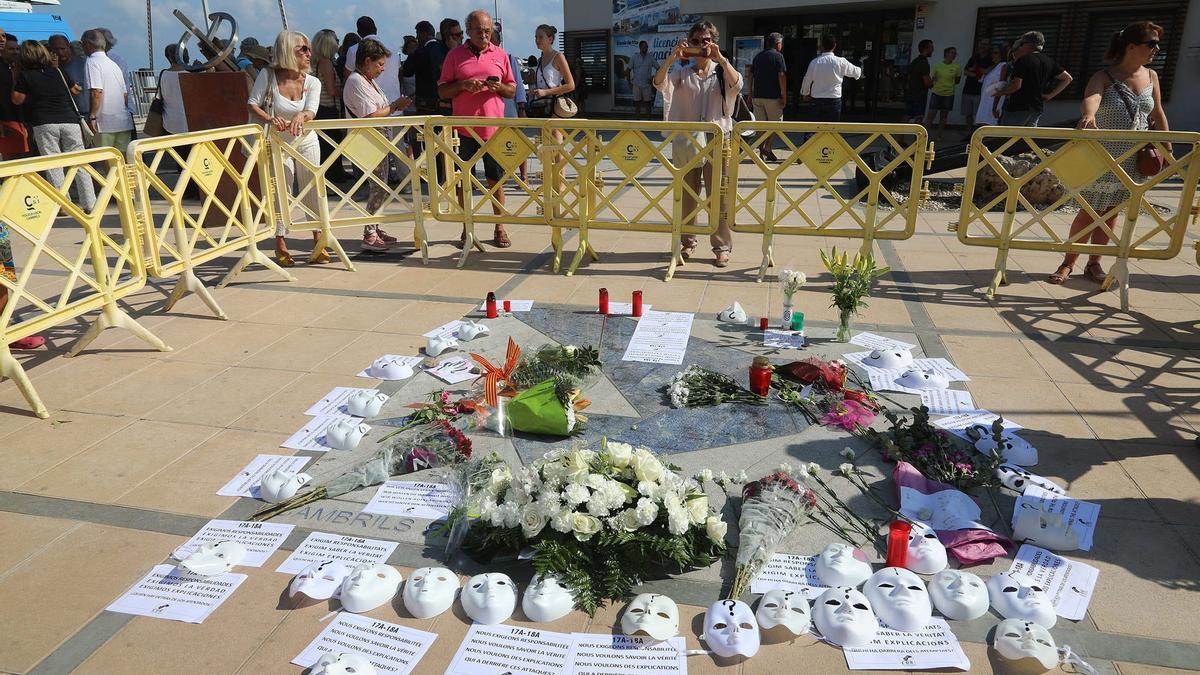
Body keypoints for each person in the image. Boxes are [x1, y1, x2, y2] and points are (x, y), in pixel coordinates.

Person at [1048, 22, 1169, 286]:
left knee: (1112, 212)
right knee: (1090, 211)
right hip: (1102, 157)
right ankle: (1068, 262)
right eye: (1151, 43)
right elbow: (1092, 97)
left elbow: (1157, 112)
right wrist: (1089, 115)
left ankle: (1095, 263)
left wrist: (1168, 145)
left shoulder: (1152, 76)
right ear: (1131, 47)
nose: (1156, 49)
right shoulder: (1104, 76)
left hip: (1132, 160)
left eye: (1157, 44)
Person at [653, 20, 741, 268]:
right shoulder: (683, 73)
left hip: (717, 139)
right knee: (689, 194)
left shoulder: (721, 71)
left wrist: (721, 58)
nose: (701, 46)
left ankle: (722, 246)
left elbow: (738, 84)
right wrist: (672, 58)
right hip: (689, 140)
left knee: (718, 197)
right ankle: (687, 242)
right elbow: (659, 83)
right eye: (696, 41)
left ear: (713, 41)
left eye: (706, 40)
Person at [437, 9, 516, 249]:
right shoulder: (454, 56)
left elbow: (512, 91)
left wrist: (499, 88)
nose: (484, 35)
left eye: (488, 30)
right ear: (468, 31)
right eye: (479, 30)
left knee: (496, 180)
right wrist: (462, 85)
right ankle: (466, 228)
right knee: (464, 182)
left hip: (493, 130)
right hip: (464, 131)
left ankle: (500, 227)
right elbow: (442, 91)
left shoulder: (500, 54)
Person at [248, 30, 322, 267]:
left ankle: (319, 240)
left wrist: (302, 115)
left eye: (309, 49)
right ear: (288, 51)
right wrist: (270, 119)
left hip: (306, 139)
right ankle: (280, 242)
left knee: (313, 187)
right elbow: (252, 104)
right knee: (280, 191)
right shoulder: (268, 75)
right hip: (277, 141)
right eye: (303, 49)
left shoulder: (312, 81)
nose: (309, 54)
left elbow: (312, 109)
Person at [343, 38, 411, 252]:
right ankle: (369, 232)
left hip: (376, 140)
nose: (382, 69)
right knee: (377, 187)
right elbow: (370, 115)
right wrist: (394, 106)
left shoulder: (367, 80)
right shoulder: (356, 81)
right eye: (380, 64)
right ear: (367, 61)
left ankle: (374, 226)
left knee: (380, 186)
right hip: (367, 142)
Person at [12, 40, 96, 211]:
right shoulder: (58, 72)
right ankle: (90, 203)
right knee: (79, 162)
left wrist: (17, 78)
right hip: (69, 120)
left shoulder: (25, 75)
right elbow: (75, 90)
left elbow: (17, 99)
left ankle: (63, 205)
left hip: (44, 121)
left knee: (53, 163)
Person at [998, 31, 1072, 127]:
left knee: (1006, 138)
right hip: (1036, 108)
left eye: (1022, 44)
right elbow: (1068, 78)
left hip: (1018, 107)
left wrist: (1000, 92)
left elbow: (1016, 85)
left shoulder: (1023, 60)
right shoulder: (1048, 61)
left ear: (1028, 44)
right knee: (1028, 139)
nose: (1020, 47)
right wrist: (1050, 95)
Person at [82, 28, 133, 153]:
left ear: (88, 44)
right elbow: (125, 94)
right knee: (123, 160)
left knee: (107, 160)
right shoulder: (113, 64)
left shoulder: (92, 62)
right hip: (122, 120)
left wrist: (92, 116)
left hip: (104, 122)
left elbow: (96, 91)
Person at [312, 29, 352, 182]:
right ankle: (333, 176)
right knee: (330, 143)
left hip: (322, 108)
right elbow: (331, 90)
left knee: (330, 142)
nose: (338, 43)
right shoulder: (326, 62)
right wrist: (347, 92)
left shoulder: (319, 61)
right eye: (336, 40)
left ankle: (336, 172)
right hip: (327, 108)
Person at [799, 33, 862, 124]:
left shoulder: (815, 62)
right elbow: (857, 72)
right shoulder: (841, 62)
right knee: (832, 128)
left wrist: (805, 93)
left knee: (813, 128)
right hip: (834, 99)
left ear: (821, 46)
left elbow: (807, 78)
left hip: (817, 98)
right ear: (835, 46)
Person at [492, 25, 528, 182]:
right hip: (493, 109)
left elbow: (518, 84)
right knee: (497, 145)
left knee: (517, 142)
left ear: (498, 42)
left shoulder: (509, 57)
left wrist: (521, 106)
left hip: (509, 107)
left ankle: (524, 175)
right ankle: (502, 174)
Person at [405, 18, 461, 116]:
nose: (461, 37)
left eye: (418, 33)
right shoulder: (439, 50)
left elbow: (406, 71)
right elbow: (445, 72)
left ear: (424, 33)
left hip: (427, 106)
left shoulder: (420, 52)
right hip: (441, 105)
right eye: (458, 35)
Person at [749, 32, 788, 162]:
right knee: (777, 124)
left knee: (760, 125)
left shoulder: (758, 56)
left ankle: (762, 151)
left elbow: (750, 75)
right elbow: (781, 76)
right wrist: (783, 95)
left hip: (757, 96)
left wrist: (750, 93)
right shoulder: (778, 56)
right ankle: (768, 148)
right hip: (773, 97)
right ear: (778, 44)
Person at [0, 28, 28, 160]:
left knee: (18, 158)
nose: (16, 52)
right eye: (11, 49)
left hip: (18, 120)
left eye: (17, 49)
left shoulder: (16, 68)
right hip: (5, 122)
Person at [924, 47, 961, 139]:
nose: (954, 55)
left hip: (949, 94)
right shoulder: (937, 66)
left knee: (944, 116)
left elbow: (957, 80)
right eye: (952, 53)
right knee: (931, 115)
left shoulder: (957, 66)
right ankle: (924, 135)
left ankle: (939, 135)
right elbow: (931, 78)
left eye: (955, 53)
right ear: (946, 54)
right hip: (936, 93)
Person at [49, 34, 87, 118]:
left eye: (63, 49)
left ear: (69, 47)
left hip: (83, 112)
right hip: (63, 115)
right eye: (56, 49)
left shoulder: (84, 64)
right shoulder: (47, 69)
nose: (60, 53)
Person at [158, 44, 190, 135]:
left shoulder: (163, 74)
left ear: (169, 58)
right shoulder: (191, 75)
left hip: (169, 124)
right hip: (189, 124)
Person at [974, 45, 1009, 127]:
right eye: (992, 53)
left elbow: (1001, 85)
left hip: (993, 101)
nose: (993, 55)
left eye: (996, 53)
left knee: (991, 124)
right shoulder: (992, 67)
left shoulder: (1003, 65)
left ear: (1002, 54)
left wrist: (995, 107)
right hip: (985, 100)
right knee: (983, 124)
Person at [961, 39, 991, 128]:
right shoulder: (974, 57)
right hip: (967, 90)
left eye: (985, 44)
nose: (983, 46)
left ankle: (978, 135)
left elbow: (986, 72)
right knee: (968, 114)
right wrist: (978, 73)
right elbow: (965, 72)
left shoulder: (990, 59)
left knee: (979, 115)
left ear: (989, 46)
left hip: (980, 92)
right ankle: (969, 134)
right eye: (981, 43)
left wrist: (974, 70)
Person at [905, 39, 934, 123]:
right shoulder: (924, 63)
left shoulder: (915, 61)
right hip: (919, 94)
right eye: (931, 47)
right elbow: (927, 82)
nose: (933, 50)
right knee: (919, 117)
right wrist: (933, 82)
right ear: (926, 48)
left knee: (907, 115)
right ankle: (918, 136)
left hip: (911, 92)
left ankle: (900, 135)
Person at [343, 16, 378, 80]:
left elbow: (348, 76)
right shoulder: (392, 47)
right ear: (376, 29)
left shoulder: (353, 50)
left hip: (365, 89)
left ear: (359, 32)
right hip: (393, 89)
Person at [628, 40, 657, 115]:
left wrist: (654, 78)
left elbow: (659, 68)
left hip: (647, 85)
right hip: (636, 84)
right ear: (640, 47)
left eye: (646, 47)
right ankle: (637, 122)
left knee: (648, 104)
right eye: (644, 47)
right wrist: (629, 83)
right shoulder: (634, 57)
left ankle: (648, 122)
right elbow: (628, 70)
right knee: (637, 104)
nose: (646, 48)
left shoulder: (650, 57)